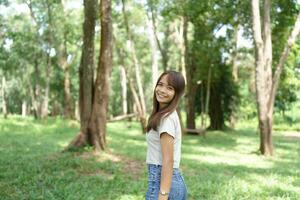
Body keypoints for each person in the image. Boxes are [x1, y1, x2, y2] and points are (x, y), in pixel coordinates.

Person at [146, 71, 188, 200]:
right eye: (160, 84)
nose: (162, 90)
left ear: (177, 93)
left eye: (170, 88)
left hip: (164, 183)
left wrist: (163, 195)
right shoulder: (165, 115)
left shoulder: (166, 119)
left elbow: (168, 161)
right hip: (166, 180)